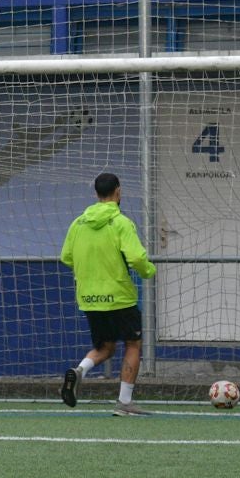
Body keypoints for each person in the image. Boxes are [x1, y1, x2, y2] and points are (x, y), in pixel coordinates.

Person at [59, 171, 157, 416]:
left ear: (96, 194)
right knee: (133, 344)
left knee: (105, 347)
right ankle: (124, 402)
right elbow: (136, 258)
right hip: (120, 296)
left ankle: (79, 371)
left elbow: (66, 257)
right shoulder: (121, 222)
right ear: (118, 191)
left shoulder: (78, 223)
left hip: (89, 298)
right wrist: (148, 271)